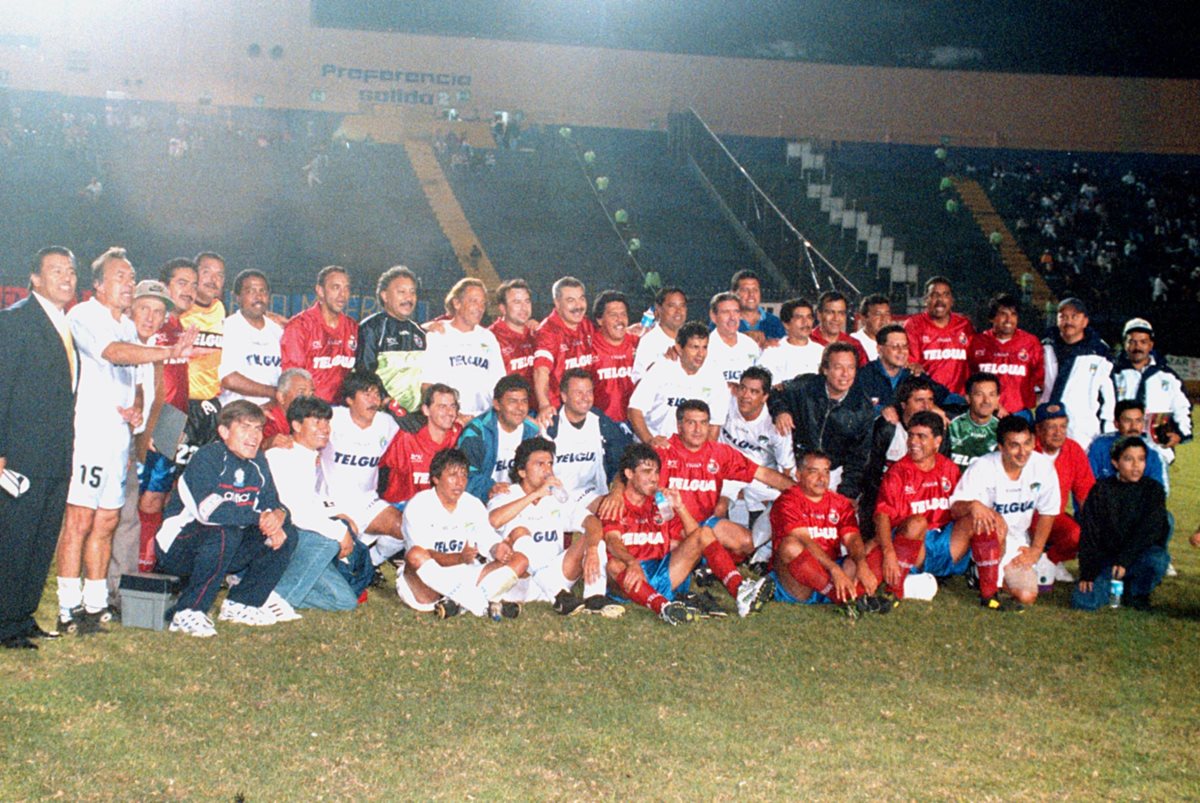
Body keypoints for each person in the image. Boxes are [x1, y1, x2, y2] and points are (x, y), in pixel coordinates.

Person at [58, 248, 189, 634]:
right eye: (120, 277)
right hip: (89, 435)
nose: (128, 284)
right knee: (80, 520)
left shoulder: (129, 327)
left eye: (131, 277)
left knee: (108, 520)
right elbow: (113, 355)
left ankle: (96, 605)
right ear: (97, 284)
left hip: (117, 440)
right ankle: (67, 606)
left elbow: (132, 382)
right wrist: (168, 350)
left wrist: (134, 412)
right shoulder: (84, 315)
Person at [607, 400, 792, 604]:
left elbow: (763, 473)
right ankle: (709, 567)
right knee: (686, 539)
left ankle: (711, 568)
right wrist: (616, 491)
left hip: (701, 522)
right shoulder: (663, 450)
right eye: (691, 423)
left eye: (703, 423)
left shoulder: (720, 453)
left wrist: (800, 493)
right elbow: (627, 471)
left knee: (746, 542)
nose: (698, 430)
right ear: (679, 426)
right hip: (669, 525)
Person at [154, 401, 297, 638]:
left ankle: (242, 604)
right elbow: (209, 512)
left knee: (287, 533)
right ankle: (188, 610)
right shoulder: (208, 457)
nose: (254, 436)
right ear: (224, 432)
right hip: (179, 546)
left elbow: (273, 503)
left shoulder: (258, 461)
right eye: (245, 427)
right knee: (224, 530)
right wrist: (261, 517)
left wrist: (279, 516)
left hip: (225, 548)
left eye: (258, 429)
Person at [0, 247, 79, 649]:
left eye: (70, 271)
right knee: (14, 540)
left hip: (57, 454)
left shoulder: (66, 324)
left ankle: (22, 615)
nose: (66, 278)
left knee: (42, 539)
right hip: (21, 454)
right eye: (55, 271)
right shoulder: (15, 323)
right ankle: (4, 623)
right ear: (34, 279)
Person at [601, 443, 770, 624]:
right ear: (629, 474)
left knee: (705, 532)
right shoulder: (615, 504)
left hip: (662, 574)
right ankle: (664, 608)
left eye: (657, 472)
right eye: (646, 471)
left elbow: (696, 537)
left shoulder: (660, 503)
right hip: (629, 578)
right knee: (614, 565)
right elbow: (612, 541)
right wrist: (632, 562)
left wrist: (680, 507)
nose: (654, 478)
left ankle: (740, 591)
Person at [870, 411, 1003, 607]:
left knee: (985, 518)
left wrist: (975, 507)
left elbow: (958, 507)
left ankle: (990, 595)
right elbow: (881, 516)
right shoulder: (898, 472)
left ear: (937, 441)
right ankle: (894, 591)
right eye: (911, 435)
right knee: (917, 522)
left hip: (946, 543)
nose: (913, 442)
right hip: (914, 546)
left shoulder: (949, 468)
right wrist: (889, 553)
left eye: (921, 437)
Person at [487, 438, 620, 615]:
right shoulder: (506, 494)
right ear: (521, 471)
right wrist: (535, 494)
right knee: (520, 532)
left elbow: (591, 522)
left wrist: (593, 549)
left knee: (593, 537)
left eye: (550, 464)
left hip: (559, 578)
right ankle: (557, 594)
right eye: (540, 464)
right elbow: (494, 520)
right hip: (519, 581)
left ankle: (594, 598)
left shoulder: (556, 497)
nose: (547, 469)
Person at [396, 448, 527, 618]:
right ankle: (479, 603)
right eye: (452, 475)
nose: (460, 482)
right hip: (428, 584)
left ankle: (460, 604)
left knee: (520, 560)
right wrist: (459, 558)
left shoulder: (472, 504)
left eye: (464, 475)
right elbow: (424, 554)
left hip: (466, 574)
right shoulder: (418, 505)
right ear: (436, 478)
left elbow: (487, 538)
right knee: (415, 555)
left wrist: (498, 548)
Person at [949, 416, 1060, 607]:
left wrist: (1035, 551)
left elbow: (1048, 512)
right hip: (984, 537)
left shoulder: (1043, 467)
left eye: (1027, 444)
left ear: (1033, 441)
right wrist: (973, 505)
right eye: (1014, 445)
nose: (1022, 452)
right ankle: (980, 567)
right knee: (997, 522)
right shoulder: (983, 466)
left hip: (1016, 541)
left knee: (1027, 596)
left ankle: (985, 575)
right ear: (1001, 447)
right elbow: (955, 507)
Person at [265, 396, 359, 612]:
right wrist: (339, 532)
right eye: (316, 422)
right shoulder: (282, 456)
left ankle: (267, 590)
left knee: (345, 602)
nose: (324, 428)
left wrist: (336, 514)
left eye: (327, 422)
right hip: (274, 538)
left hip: (296, 537)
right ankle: (277, 602)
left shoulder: (307, 456)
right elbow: (294, 513)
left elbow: (308, 501)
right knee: (327, 541)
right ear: (297, 425)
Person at [769, 450, 891, 616]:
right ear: (798, 475)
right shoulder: (787, 501)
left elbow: (852, 538)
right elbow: (803, 540)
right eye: (814, 472)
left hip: (831, 574)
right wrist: (834, 569)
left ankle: (853, 595)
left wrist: (861, 564)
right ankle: (844, 598)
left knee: (870, 550)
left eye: (826, 472)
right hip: (801, 583)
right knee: (790, 546)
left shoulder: (839, 503)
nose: (822, 479)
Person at [1071, 437, 1170, 611]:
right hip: (1108, 559)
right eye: (1128, 459)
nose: (1136, 465)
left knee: (1158, 559)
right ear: (1115, 463)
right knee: (1083, 602)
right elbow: (1090, 533)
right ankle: (1116, 586)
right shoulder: (1101, 490)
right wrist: (1088, 572)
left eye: (1141, 459)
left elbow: (1148, 531)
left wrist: (1125, 560)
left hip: (1138, 555)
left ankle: (1137, 593)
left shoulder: (1153, 490)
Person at [317, 371, 403, 568]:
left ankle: (370, 563)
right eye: (366, 394)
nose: (374, 400)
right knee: (341, 544)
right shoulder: (332, 418)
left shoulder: (388, 423)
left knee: (405, 528)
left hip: (367, 500)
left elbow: (416, 432)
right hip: (330, 500)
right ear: (349, 399)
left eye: (377, 394)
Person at [768, 342, 873, 500]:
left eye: (851, 368)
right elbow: (775, 393)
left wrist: (847, 494)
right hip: (796, 466)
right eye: (838, 367)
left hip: (833, 472)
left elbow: (858, 458)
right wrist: (780, 411)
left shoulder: (861, 407)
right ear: (825, 369)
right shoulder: (805, 386)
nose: (845, 374)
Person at [858, 375, 951, 541]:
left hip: (921, 499)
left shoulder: (938, 429)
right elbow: (870, 474)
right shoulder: (888, 427)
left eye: (930, 400)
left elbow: (941, 470)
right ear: (903, 405)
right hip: (885, 499)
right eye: (919, 400)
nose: (927, 406)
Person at [718, 366, 795, 543]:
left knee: (775, 508)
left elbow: (787, 468)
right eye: (743, 388)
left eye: (754, 391)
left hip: (762, 474)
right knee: (718, 507)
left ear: (765, 397)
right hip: (729, 469)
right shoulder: (726, 400)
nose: (745, 395)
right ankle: (720, 555)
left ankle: (757, 554)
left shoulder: (777, 423)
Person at [627, 321, 728, 444]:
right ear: (679, 348)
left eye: (704, 347)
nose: (700, 354)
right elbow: (635, 409)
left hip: (690, 451)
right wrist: (650, 440)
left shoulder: (715, 375)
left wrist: (702, 455)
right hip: (656, 445)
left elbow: (715, 424)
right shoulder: (661, 369)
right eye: (695, 347)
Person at [420, 278, 505, 421]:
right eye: (474, 301)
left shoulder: (488, 337)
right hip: (450, 420)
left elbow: (500, 384)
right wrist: (454, 416)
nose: (480, 308)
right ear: (457, 303)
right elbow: (428, 385)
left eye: (483, 303)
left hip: (484, 420)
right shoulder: (438, 334)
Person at [1110, 317, 1191, 461]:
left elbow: (1182, 408)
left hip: (1157, 450)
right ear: (1125, 344)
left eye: (1143, 342)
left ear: (1151, 345)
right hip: (1120, 449)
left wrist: (1180, 433)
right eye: (1132, 341)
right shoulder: (1113, 374)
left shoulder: (1168, 376)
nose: (1137, 347)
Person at [543, 368, 631, 500]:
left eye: (589, 392)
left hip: (590, 494)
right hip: (556, 496)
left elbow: (623, 459)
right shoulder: (550, 424)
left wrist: (617, 489)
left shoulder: (601, 421)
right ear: (564, 396)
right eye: (578, 392)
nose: (585, 398)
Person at [1039, 297, 1114, 449]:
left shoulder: (1099, 353)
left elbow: (1109, 397)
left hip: (1083, 431)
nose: (1069, 321)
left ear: (1085, 321)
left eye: (1074, 316)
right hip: (1046, 424)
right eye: (1063, 316)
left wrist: (1108, 428)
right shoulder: (1044, 347)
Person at [1033, 402, 1095, 583]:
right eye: (1051, 427)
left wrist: (1094, 528)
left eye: (1062, 426)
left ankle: (1050, 560)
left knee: (1078, 534)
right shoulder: (1026, 448)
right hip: (1024, 514)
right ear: (1038, 429)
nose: (1058, 433)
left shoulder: (1073, 450)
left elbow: (1085, 493)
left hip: (1054, 517)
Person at [281, 265, 359, 404]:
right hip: (311, 410)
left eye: (346, 288)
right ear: (320, 291)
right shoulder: (300, 326)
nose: (343, 295)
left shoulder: (353, 328)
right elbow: (293, 379)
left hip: (344, 411)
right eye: (336, 287)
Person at [355, 265, 427, 414]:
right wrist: (389, 405)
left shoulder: (420, 332)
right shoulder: (372, 328)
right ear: (385, 296)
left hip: (415, 417)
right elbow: (364, 376)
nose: (408, 298)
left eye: (412, 292)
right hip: (384, 414)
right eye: (401, 292)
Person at [458, 374, 540, 501]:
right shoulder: (476, 432)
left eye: (524, 401)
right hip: (484, 500)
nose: (520, 408)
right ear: (497, 404)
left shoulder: (532, 431)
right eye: (513, 401)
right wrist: (490, 488)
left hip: (521, 500)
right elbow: (464, 475)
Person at [379, 383, 464, 505]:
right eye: (442, 406)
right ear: (426, 410)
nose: (449, 412)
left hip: (438, 507)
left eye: (453, 406)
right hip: (401, 506)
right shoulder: (405, 437)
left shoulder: (458, 434)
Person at [855, 323, 958, 416]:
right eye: (895, 347)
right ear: (879, 349)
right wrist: (882, 410)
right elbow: (855, 408)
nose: (901, 351)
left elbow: (946, 397)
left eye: (905, 346)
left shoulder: (914, 374)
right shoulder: (864, 375)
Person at [968, 293, 1043, 416]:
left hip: (1021, 414)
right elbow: (967, 382)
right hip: (986, 414)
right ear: (991, 318)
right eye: (1003, 314)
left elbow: (1042, 381)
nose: (1009, 320)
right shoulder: (977, 342)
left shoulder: (1031, 342)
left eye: (1013, 314)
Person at [533, 276, 595, 426]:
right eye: (570, 300)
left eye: (581, 299)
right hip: (558, 413)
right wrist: (544, 405)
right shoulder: (548, 331)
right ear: (557, 303)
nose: (578, 305)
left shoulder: (586, 324)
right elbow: (541, 371)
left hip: (584, 408)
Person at [218, 269, 283, 406]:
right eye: (251, 291)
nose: (258, 296)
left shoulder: (278, 332)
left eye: (263, 291)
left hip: (274, 410)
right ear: (237, 297)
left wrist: (273, 402)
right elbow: (229, 379)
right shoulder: (227, 328)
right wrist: (274, 393)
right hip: (237, 412)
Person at [904, 276, 975, 395]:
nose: (940, 300)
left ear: (952, 300)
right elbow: (911, 363)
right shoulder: (914, 324)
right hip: (928, 399)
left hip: (960, 398)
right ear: (926, 299)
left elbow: (973, 361)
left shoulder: (964, 325)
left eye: (945, 295)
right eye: (935, 295)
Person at [1086, 401, 1167, 491]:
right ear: (1116, 423)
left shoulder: (1154, 452)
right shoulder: (1099, 445)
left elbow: (1160, 493)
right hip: (1101, 502)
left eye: (1138, 420)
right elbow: (1084, 484)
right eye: (1127, 421)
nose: (1133, 426)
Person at [181, 251, 226, 406]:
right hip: (181, 401)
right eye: (206, 272)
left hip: (211, 400)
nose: (213, 280)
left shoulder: (219, 308)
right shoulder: (179, 309)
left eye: (219, 275)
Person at [589, 290, 639, 423]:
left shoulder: (639, 344)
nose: (620, 320)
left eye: (623, 314)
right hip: (600, 426)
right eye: (613, 315)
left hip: (635, 425)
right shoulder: (588, 347)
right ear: (599, 320)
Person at [756, 297, 823, 386]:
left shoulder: (822, 351)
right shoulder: (772, 352)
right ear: (786, 324)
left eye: (809, 317)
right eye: (799, 317)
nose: (805, 322)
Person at [706, 291, 761, 387]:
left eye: (736, 311)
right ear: (713, 316)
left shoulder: (751, 345)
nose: (732, 317)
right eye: (726, 312)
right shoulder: (705, 346)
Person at [632, 286, 686, 382]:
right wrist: (663, 362)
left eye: (682, 305)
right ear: (658, 311)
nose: (678, 311)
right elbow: (639, 382)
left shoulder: (691, 338)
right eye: (672, 306)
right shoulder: (649, 342)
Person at [488, 278, 537, 384]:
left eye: (527, 301)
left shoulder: (538, 333)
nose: (524, 308)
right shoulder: (490, 337)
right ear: (503, 308)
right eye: (517, 302)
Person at [948, 371, 1001, 467]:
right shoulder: (950, 424)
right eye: (979, 394)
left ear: (998, 398)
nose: (986, 401)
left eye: (991, 395)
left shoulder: (1003, 430)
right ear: (968, 398)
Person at [810, 290, 868, 366]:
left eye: (841, 313)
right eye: (830, 312)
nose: (836, 318)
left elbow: (865, 374)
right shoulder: (807, 340)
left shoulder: (854, 344)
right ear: (819, 315)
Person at [261, 368, 315, 449]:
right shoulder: (265, 421)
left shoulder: (310, 421)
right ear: (281, 397)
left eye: (311, 394)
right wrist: (265, 445)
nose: (309, 399)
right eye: (301, 393)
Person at [730, 269, 785, 346]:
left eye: (755, 290)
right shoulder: (723, 321)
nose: (751, 294)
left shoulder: (774, 322)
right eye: (746, 290)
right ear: (733, 293)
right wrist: (744, 337)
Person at [851, 294, 891, 363]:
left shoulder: (893, 342)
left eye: (887, 314)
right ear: (864, 318)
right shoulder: (853, 342)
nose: (884, 319)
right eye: (878, 314)